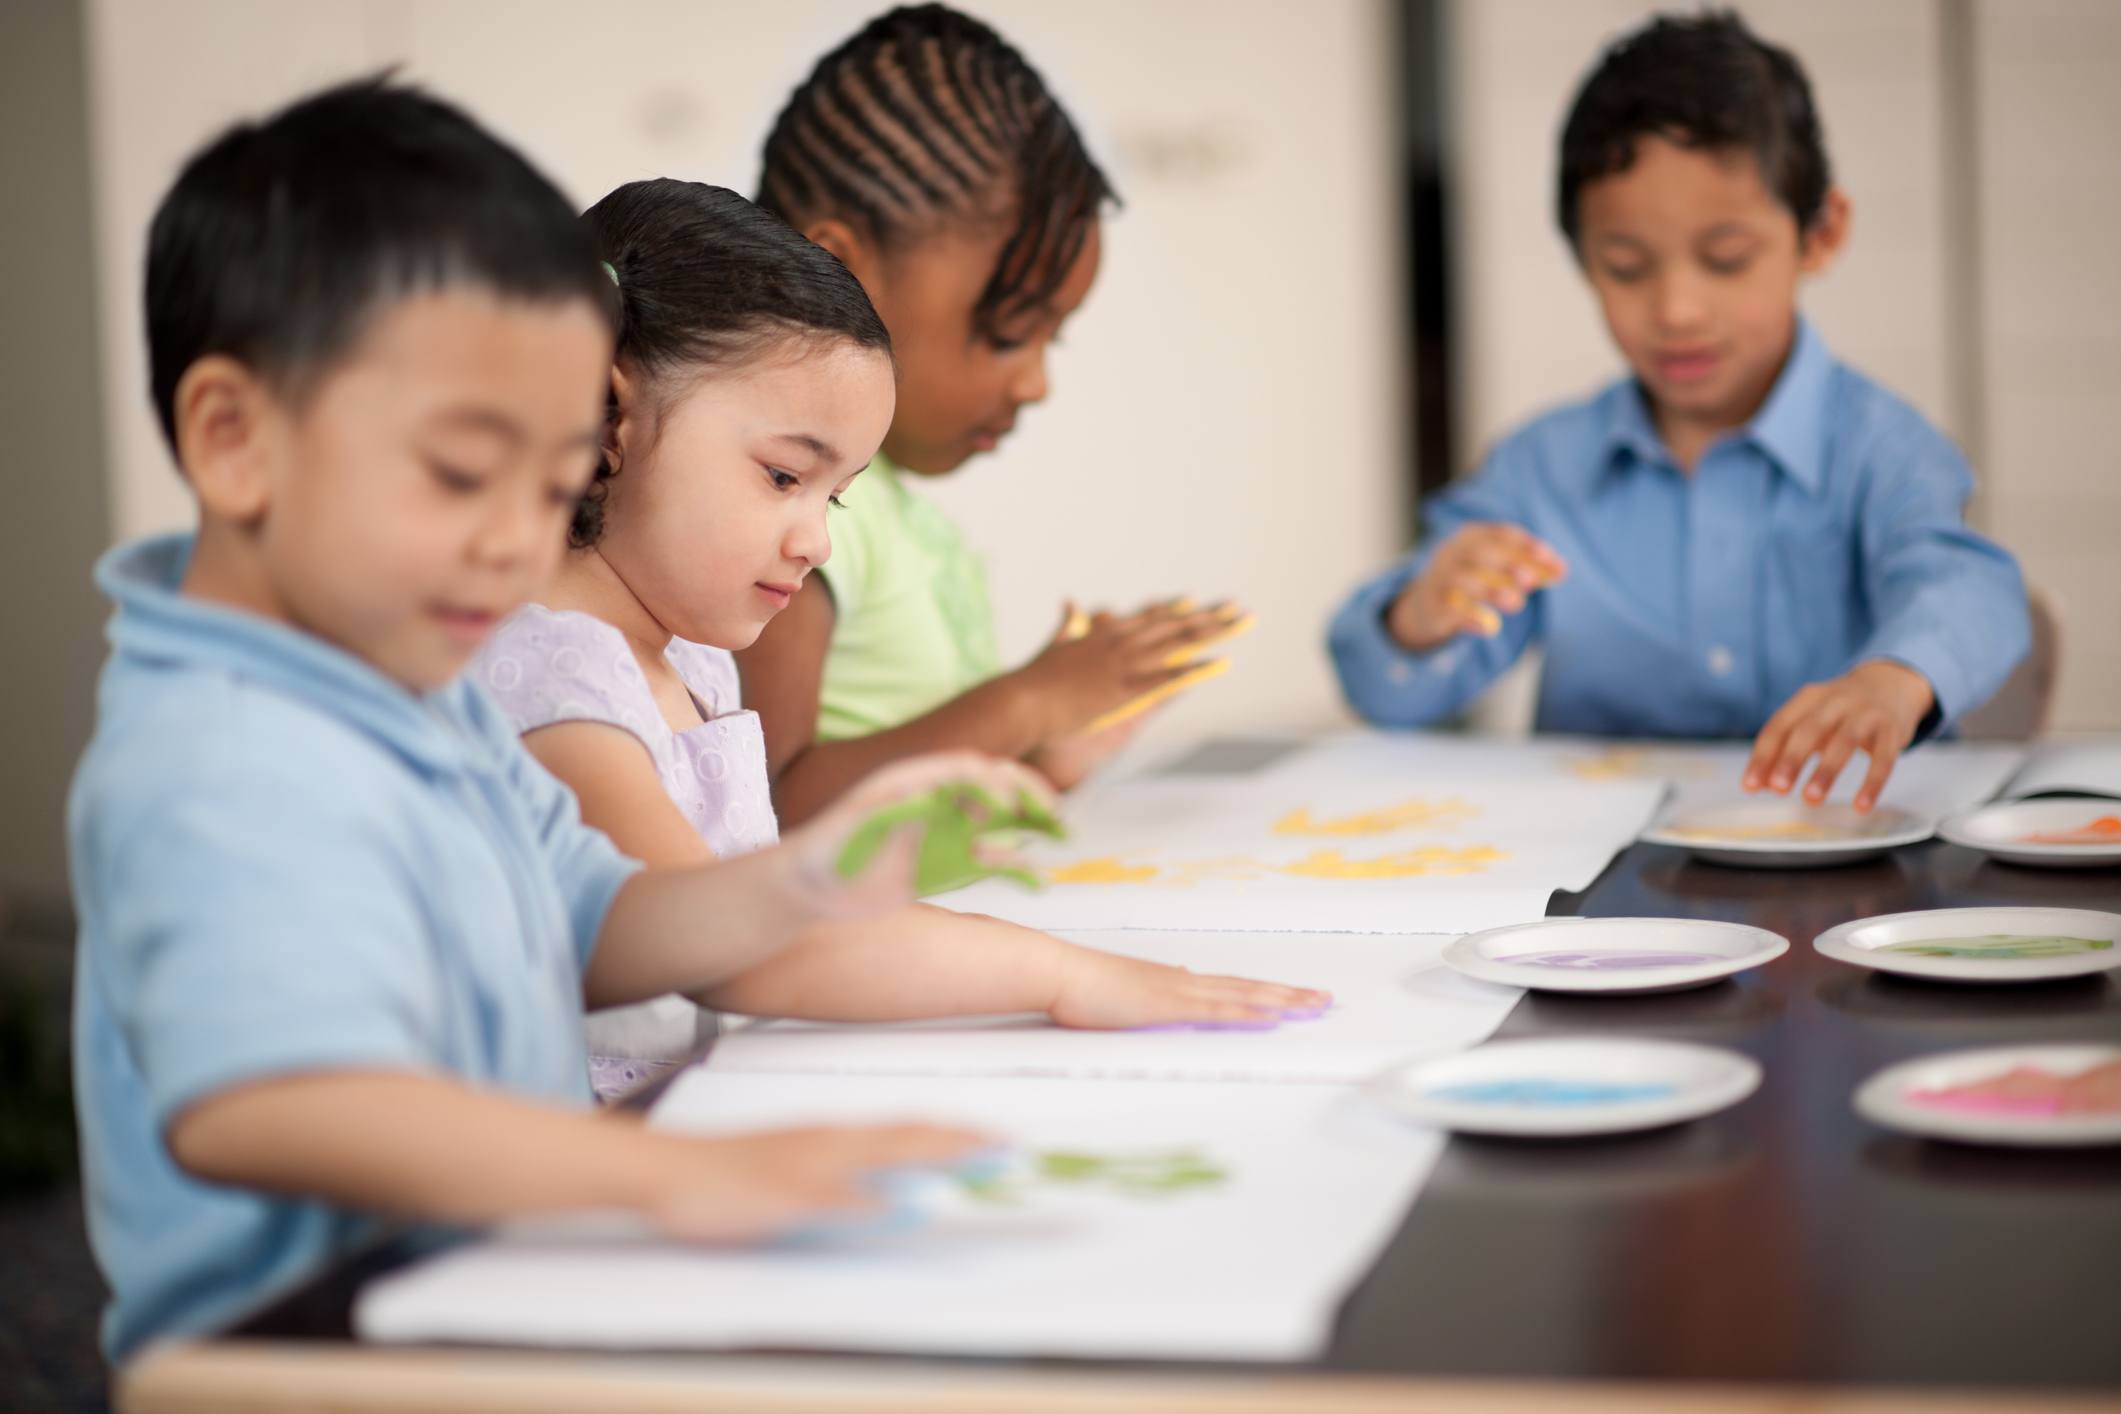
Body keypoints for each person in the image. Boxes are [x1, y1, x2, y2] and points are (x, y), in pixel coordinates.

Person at [71, 80, 1113, 1363]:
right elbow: (261, 1106)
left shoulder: (417, 690)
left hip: (486, 1269)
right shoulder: (228, 749)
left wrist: (806, 879)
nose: (521, 537)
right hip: (305, 1349)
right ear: (237, 441)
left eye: (553, 476)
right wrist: (663, 1174)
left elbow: (606, 919)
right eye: (464, 471)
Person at [473, 178, 1326, 1095]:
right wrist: (1068, 975)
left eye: (833, 494)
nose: (816, 540)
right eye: (781, 475)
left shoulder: (685, 661)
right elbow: (742, 949)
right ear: (608, 416)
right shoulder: (558, 681)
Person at [1329, 11, 2029, 811]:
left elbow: (1968, 588)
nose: (1676, 308)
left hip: (1840, 860)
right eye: (1624, 266)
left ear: (1820, 233)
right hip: (1599, 884)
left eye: (1725, 259)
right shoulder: (1539, 469)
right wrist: (1420, 614)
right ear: (1581, 260)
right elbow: (1380, 691)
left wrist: (1893, 679)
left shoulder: (1881, 449)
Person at [738, 3, 1247, 826]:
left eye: (1055, 339)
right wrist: (1028, 701)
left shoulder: (892, 505)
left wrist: (1051, 752)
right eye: (1010, 332)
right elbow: (772, 809)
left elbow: (928, 786)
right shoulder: (797, 511)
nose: (1037, 383)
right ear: (837, 269)